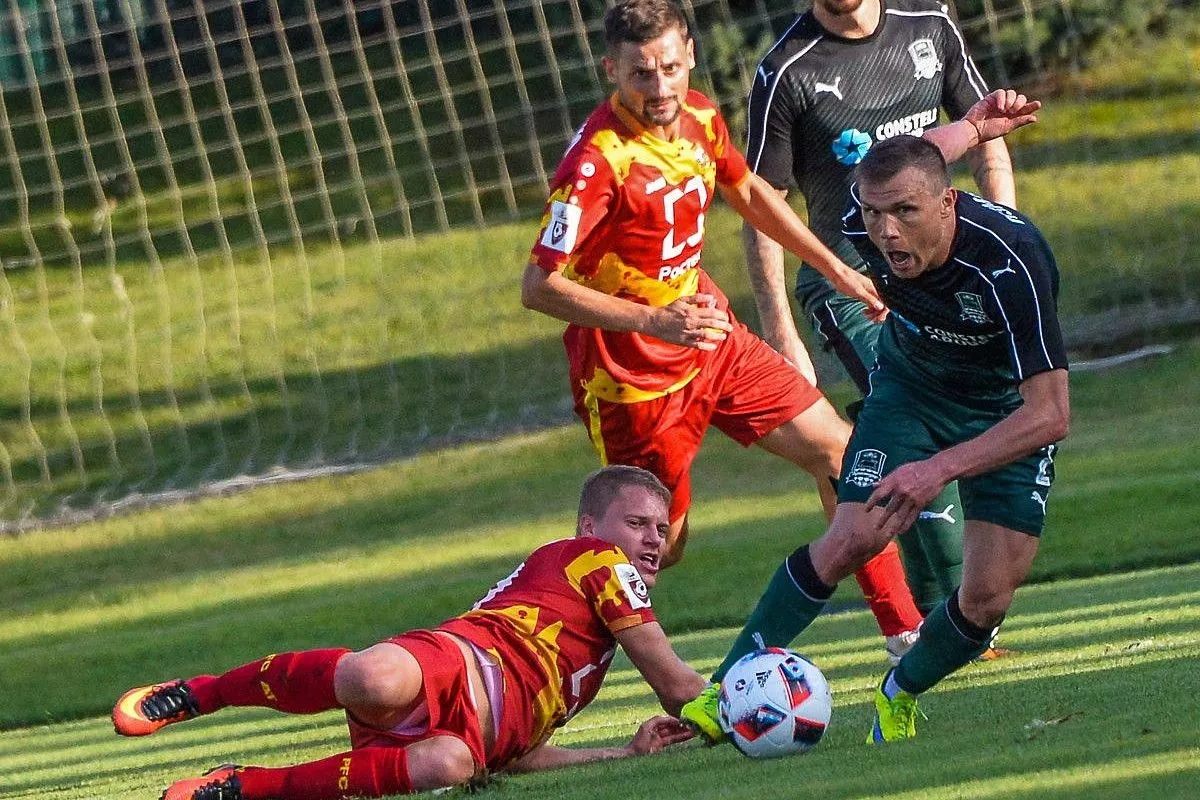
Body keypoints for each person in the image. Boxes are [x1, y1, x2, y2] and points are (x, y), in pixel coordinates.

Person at [521, 0, 924, 664]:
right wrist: (656, 319)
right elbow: (539, 287)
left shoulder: (702, 118)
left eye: (670, 68)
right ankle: (543, 651)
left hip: (712, 337)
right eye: (641, 74)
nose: (660, 88)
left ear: (689, 56)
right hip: (633, 380)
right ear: (611, 70)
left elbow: (752, 193)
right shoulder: (598, 162)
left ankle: (905, 633)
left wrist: (835, 268)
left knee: (841, 451)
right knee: (656, 546)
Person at [683, 113, 1068, 745]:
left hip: (1007, 412)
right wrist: (972, 127)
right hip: (910, 392)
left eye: (906, 213)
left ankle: (899, 690)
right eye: (873, 212)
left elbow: (1050, 414)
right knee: (854, 534)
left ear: (947, 204)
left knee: (987, 600)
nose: (887, 231)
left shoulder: (1011, 263)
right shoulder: (862, 222)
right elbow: (911, 163)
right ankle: (719, 695)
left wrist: (938, 469)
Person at [112, 466, 706, 800]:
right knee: (375, 677)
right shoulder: (598, 561)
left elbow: (519, 755)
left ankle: (244, 788)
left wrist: (623, 753)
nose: (654, 540)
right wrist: (737, 708)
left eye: (661, 529)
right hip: (458, 660)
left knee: (450, 766)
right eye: (637, 523)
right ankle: (202, 692)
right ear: (589, 526)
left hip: (470, 737)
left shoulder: (591, 657)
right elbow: (676, 686)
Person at [741, 0, 1020, 622]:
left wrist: (1003, 229)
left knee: (948, 429)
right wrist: (781, 331)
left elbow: (984, 133)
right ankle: (950, 621)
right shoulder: (786, 70)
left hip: (943, 274)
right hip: (851, 287)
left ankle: (935, 616)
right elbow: (760, 208)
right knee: (918, 415)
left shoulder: (930, 25)